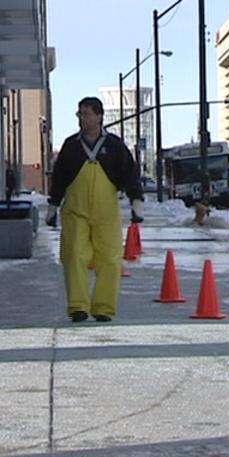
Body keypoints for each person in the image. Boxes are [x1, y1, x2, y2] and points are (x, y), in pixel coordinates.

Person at [47, 97, 144, 322]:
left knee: (109, 257)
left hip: (106, 211)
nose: (83, 118)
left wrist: (136, 203)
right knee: (74, 255)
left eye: (87, 114)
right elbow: (59, 179)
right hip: (75, 211)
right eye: (80, 114)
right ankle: (78, 307)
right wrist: (53, 207)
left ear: (99, 116)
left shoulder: (115, 146)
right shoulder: (71, 146)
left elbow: (130, 174)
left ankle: (103, 307)